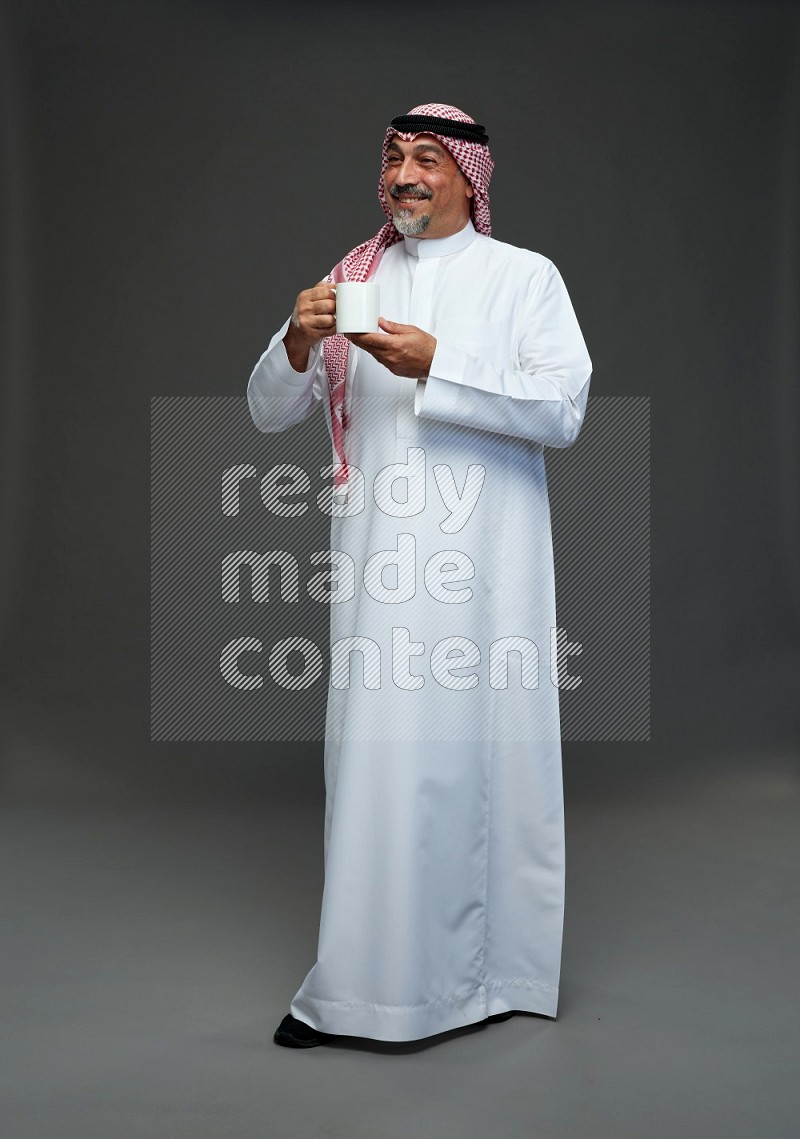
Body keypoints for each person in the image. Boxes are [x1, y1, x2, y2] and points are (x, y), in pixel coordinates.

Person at [246, 102, 592, 1048]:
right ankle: (361, 989)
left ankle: (494, 975)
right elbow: (267, 410)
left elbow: (563, 408)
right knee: (378, 762)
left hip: (489, 564)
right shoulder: (350, 276)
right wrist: (296, 339)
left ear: (467, 178)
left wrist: (441, 363)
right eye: (395, 156)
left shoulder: (524, 278)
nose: (405, 174)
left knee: (478, 759)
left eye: (428, 159)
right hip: (377, 567)